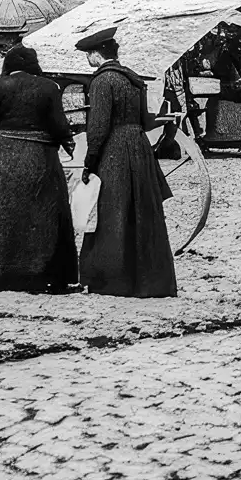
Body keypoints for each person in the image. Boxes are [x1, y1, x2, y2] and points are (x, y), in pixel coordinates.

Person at [75, 28, 177, 297]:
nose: (87, 59)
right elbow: (144, 119)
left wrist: (90, 161)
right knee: (142, 212)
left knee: (112, 213)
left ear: (97, 55)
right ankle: (149, 279)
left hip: (115, 150)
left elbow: (98, 128)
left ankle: (113, 281)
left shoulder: (101, 81)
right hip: (139, 146)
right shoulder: (133, 79)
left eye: (88, 55)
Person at [0, 46, 77, 293]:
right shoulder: (49, 88)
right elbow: (58, 124)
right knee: (43, 215)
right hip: (40, 159)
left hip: (2, 158)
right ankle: (42, 273)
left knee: (0, 215)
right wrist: (67, 143)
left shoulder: (0, 87)